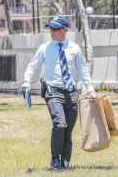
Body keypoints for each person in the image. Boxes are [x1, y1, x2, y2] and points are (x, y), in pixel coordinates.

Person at [22, 15, 96, 171]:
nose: (51, 31)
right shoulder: (45, 48)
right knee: (59, 124)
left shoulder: (74, 48)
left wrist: (90, 89)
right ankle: (55, 159)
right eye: (50, 28)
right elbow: (33, 65)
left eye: (55, 29)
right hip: (53, 91)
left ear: (64, 30)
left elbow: (82, 70)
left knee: (68, 128)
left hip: (71, 92)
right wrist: (27, 80)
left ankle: (65, 160)